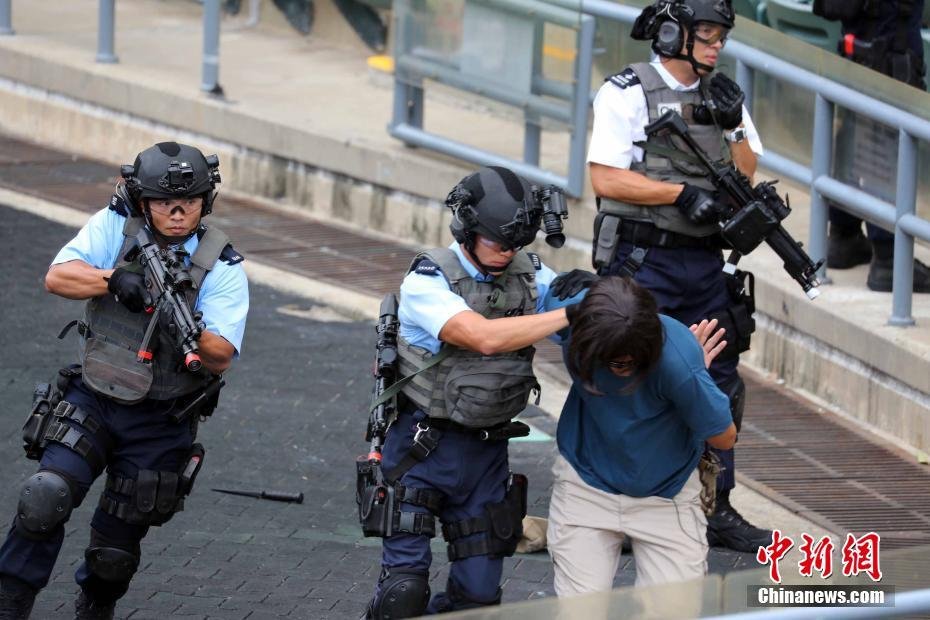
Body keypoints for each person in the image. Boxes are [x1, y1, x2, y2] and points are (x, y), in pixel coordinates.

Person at [0, 142, 249, 620]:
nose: (177, 215)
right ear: (142, 201)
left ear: (206, 202)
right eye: (164, 204)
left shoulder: (224, 264)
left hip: (160, 419)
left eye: (190, 203)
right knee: (44, 499)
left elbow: (219, 357)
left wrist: (183, 323)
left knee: (115, 555)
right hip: (93, 398)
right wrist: (113, 278)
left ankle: (95, 606)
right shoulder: (115, 225)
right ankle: (10, 603)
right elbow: (58, 277)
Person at [586, 0, 771, 553]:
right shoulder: (626, 91)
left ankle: (716, 506)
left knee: (718, 378)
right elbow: (606, 177)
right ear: (674, 34)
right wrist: (676, 193)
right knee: (629, 372)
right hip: (645, 260)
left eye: (721, 38)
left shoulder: (722, 94)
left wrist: (735, 122)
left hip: (704, 262)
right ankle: (621, 510)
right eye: (707, 36)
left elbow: (746, 173)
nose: (716, 47)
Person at [363, 166, 573, 617]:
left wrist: (600, 297)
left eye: (517, 244)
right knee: (403, 592)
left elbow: (593, 320)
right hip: (421, 449)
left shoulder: (531, 275)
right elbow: (482, 337)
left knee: (478, 600)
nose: (507, 253)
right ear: (468, 228)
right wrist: (571, 314)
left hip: (486, 457)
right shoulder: (427, 278)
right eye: (498, 242)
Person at [545, 276, 736, 596]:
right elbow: (488, 338)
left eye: (625, 363)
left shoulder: (677, 362)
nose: (615, 368)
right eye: (606, 361)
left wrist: (694, 381)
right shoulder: (573, 316)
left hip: (666, 492)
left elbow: (725, 438)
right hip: (585, 482)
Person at [813, 0, 930, 292]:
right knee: (885, 146)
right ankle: (889, 259)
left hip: (859, 44)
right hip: (890, 49)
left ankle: (844, 234)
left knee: (854, 131)